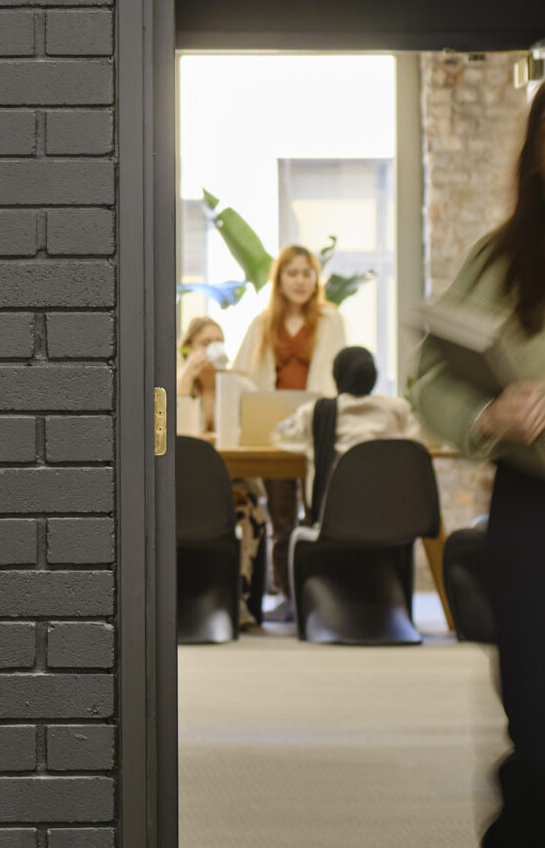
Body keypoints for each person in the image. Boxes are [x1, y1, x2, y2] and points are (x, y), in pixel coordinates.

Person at [411, 78, 545, 848]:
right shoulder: (504, 258)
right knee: (542, 734)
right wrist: (487, 416)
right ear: (535, 151)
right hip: (534, 511)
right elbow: (433, 374)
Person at [233, 243, 349, 620]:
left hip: (317, 427)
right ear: (279, 280)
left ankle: (315, 591)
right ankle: (285, 593)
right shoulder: (261, 323)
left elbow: (339, 374)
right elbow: (242, 377)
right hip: (276, 431)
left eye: (307, 273)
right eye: (292, 273)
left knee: (319, 513)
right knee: (281, 518)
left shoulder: (331, 320)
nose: (300, 281)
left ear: (316, 279)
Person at [273, 344, 415, 523]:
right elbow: (417, 445)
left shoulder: (315, 412)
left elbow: (280, 435)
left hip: (333, 524)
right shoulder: (397, 409)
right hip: (389, 523)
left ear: (335, 378)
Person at [177, 314, 228, 436]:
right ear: (189, 347)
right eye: (206, 343)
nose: (215, 348)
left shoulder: (235, 385)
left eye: (219, 342)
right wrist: (187, 375)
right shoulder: (176, 384)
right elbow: (176, 426)